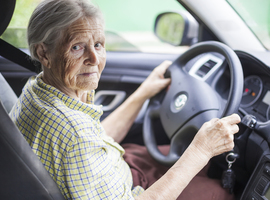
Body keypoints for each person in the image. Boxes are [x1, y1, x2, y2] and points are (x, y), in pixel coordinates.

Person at [9, 0, 241, 199]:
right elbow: (79, 141)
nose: (94, 58)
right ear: (44, 54)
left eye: (98, 44)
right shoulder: (74, 135)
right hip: (132, 189)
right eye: (77, 47)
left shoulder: (39, 88)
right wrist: (200, 150)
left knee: (197, 161)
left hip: (117, 166)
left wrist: (143, 92)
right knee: (218, 189)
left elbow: (93, 140)